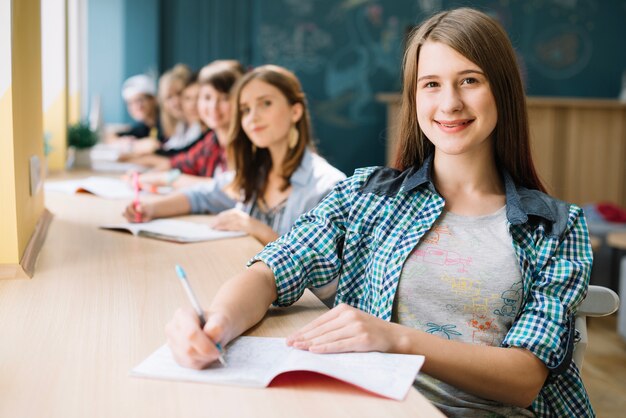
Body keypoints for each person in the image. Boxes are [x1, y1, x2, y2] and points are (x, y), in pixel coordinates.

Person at [164, 8, 594, 418]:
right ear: (414, 96)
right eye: (431, 84)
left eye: (469, 80)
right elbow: (272, 270)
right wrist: (215, 325)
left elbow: (524, 378)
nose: (449, 103)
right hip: (368, 406)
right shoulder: (366, 195)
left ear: (502, 89)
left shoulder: (557, 227)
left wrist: (392, 337)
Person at [124, 65, 345, 247]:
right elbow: (201, 195)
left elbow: (324, 279)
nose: (252, 117)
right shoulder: (256, 172)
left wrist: (256, 228)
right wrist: (150, 209)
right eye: (246, 109)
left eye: (265, 104)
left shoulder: (327, 186)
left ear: (295, 111)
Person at [126, 60, 245, 189]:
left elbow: (227, 188)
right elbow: (180, 163)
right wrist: (142, 178)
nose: (213, 106)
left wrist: (161, 179)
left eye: (225, 98)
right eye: (207, 97)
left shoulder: (245, 144)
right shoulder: (212, 141)